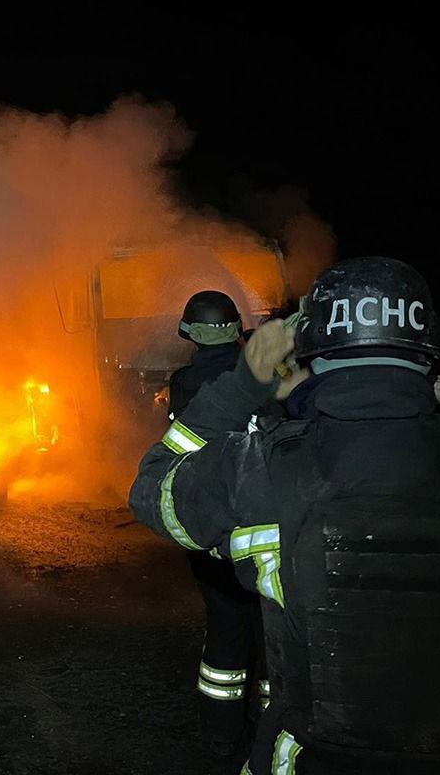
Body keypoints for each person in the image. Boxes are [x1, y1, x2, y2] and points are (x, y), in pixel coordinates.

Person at [129, 257, 440, 774]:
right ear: (428, 352)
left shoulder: (261, 471)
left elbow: (153, 489)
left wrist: (245, 384)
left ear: (309, 351)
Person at [169, 290, 267, 756]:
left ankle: (220, 735)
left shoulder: (184, 383)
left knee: (225, 622)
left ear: (190, 332)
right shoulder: (262, 376)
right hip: (264, 518)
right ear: (235, 330)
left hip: (208, 525)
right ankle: (271, 725)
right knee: (270, 623)